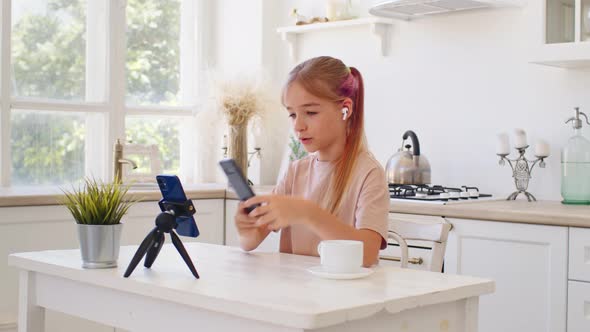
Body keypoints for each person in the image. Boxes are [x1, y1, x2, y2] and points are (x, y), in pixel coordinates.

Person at [234, 56, 389, 267]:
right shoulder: (295, 172)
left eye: (310, 112)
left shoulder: (369, 173)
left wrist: (307, 212)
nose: (298, 125)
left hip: (349, 296)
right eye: (292, 114)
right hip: (298, 293)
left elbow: (367, 254)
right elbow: (250, 242)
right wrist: (246, 228)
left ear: (346, 109)